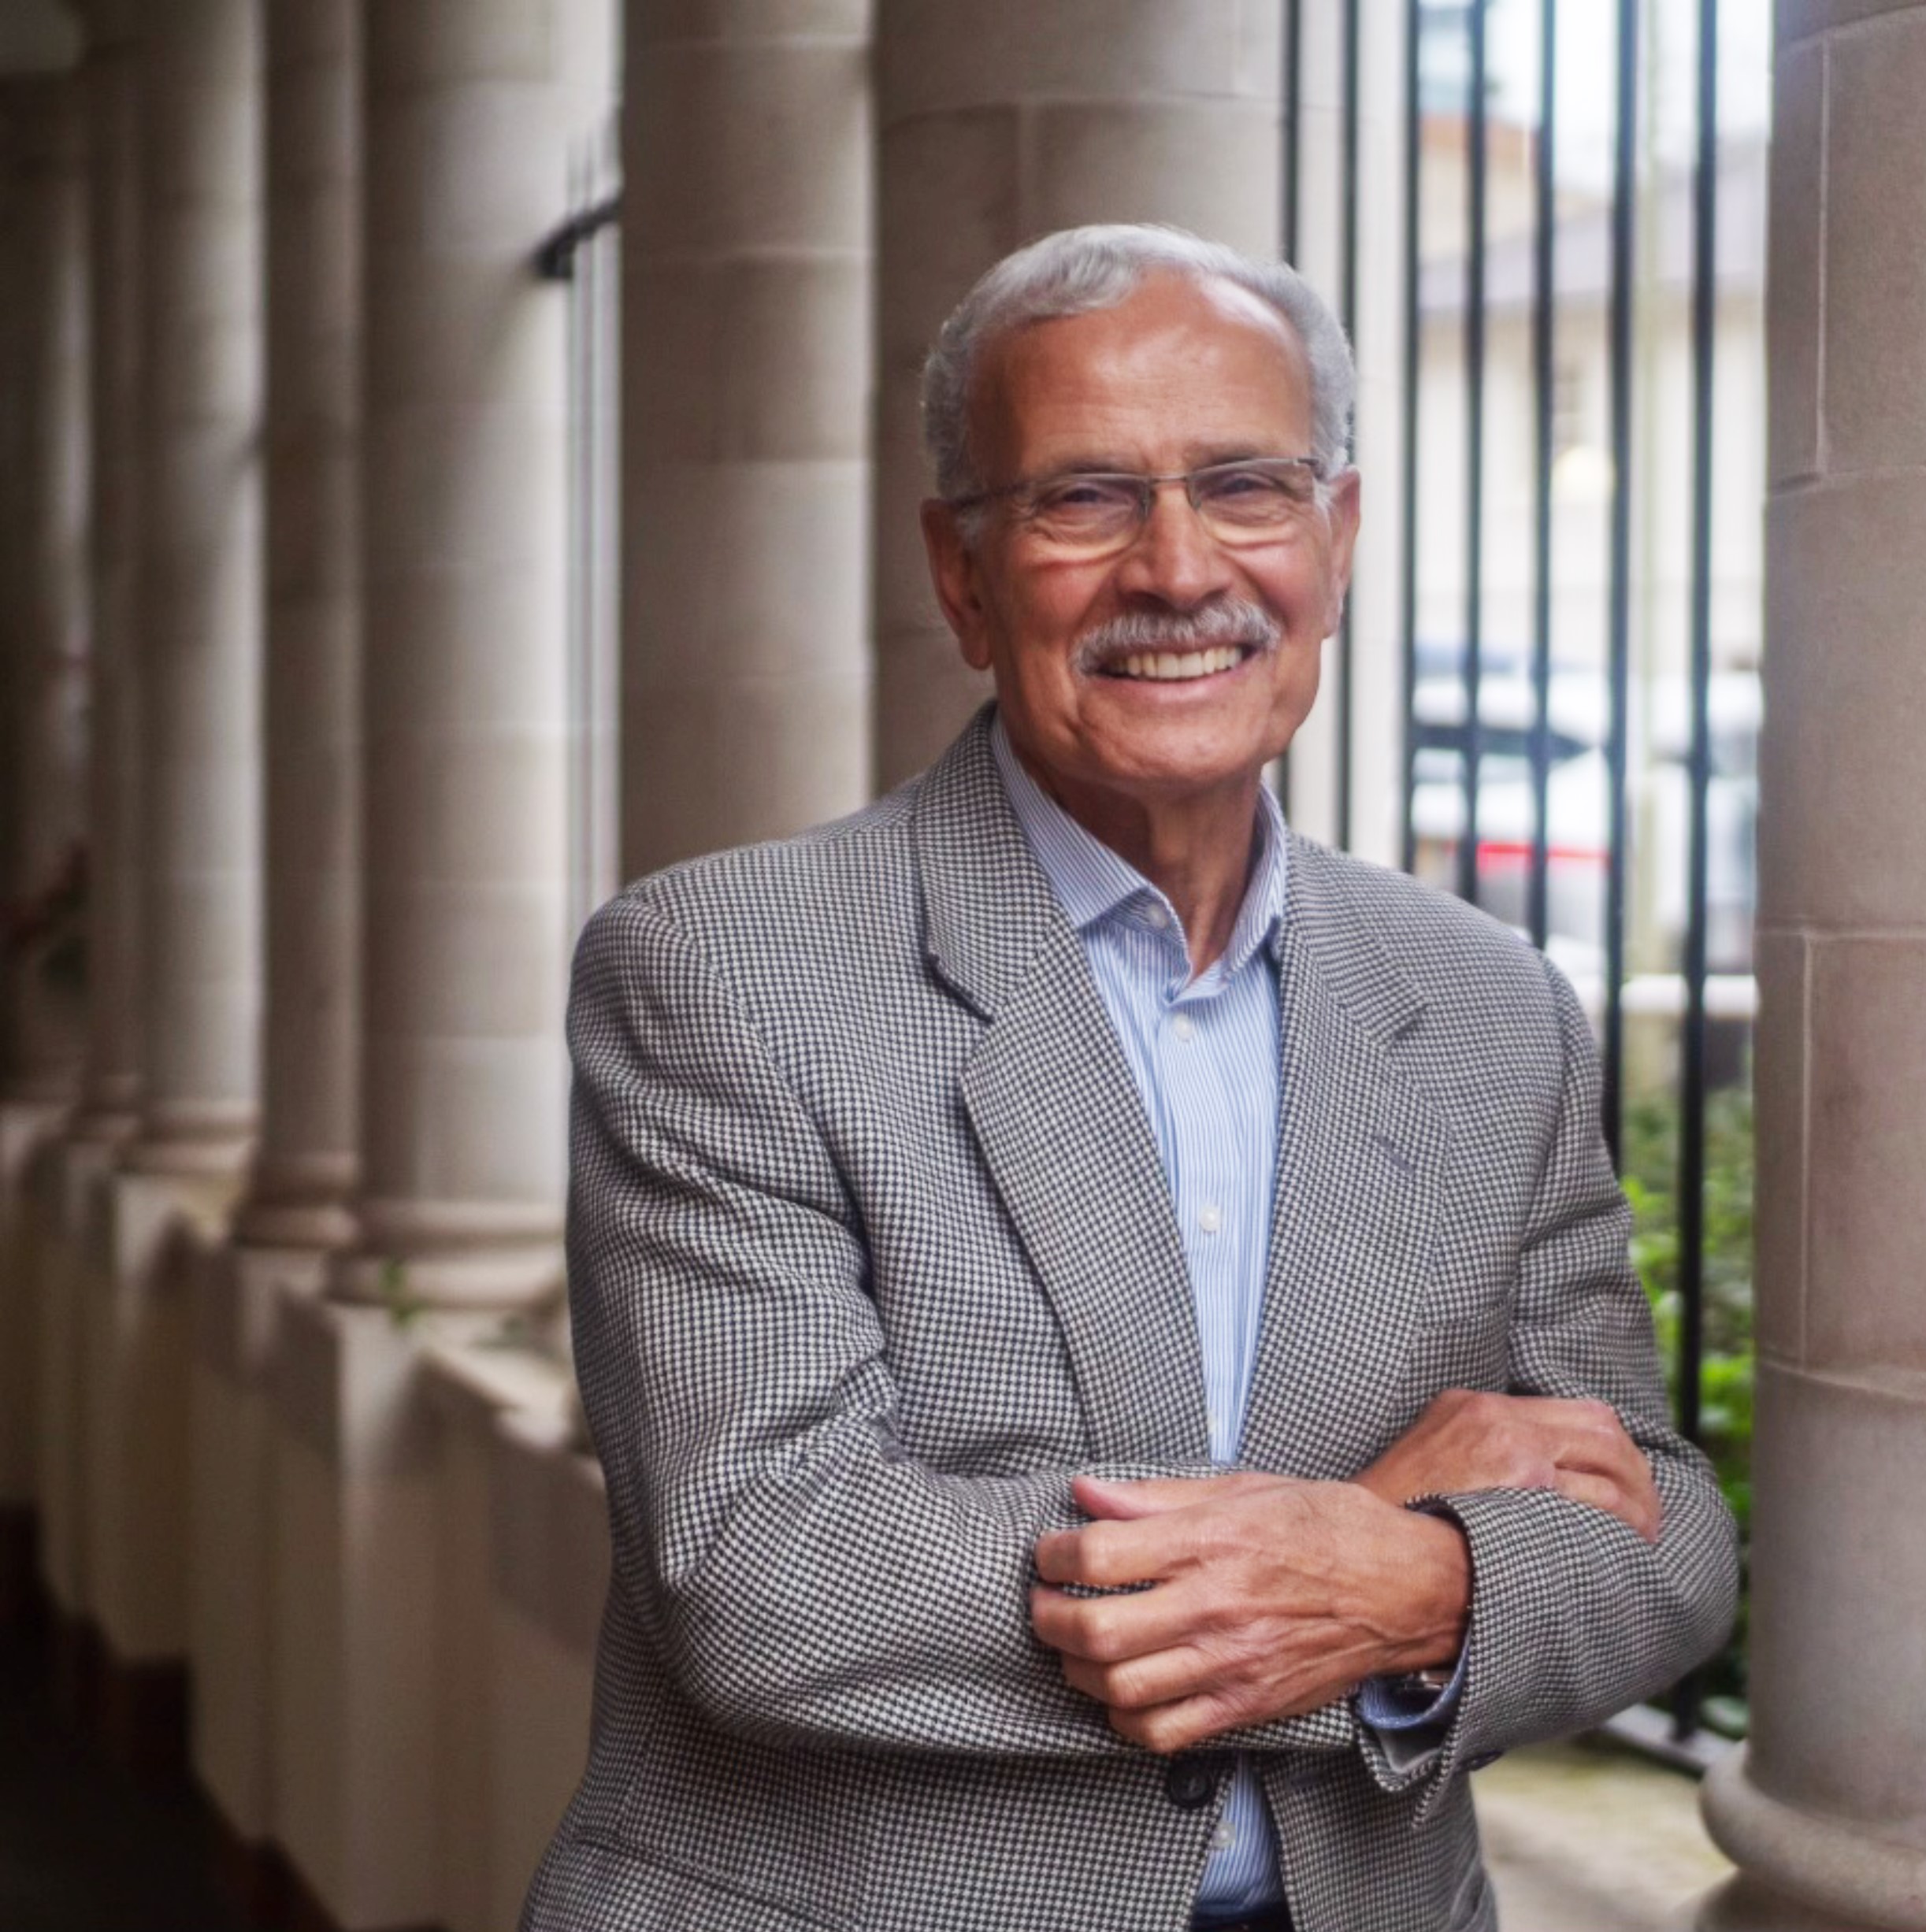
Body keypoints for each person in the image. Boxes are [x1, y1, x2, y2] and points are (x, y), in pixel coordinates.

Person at [523, 224, 1737, 1932]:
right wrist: (1357, 1559)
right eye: (1083, 499)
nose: (1177, 569)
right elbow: (763, 1566)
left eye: (1245, 485)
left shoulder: (1489, 1009)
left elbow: (1665, 1537)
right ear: (959, 572)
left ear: (1339, 534)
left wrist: (1420, 1581)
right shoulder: (722, 972)